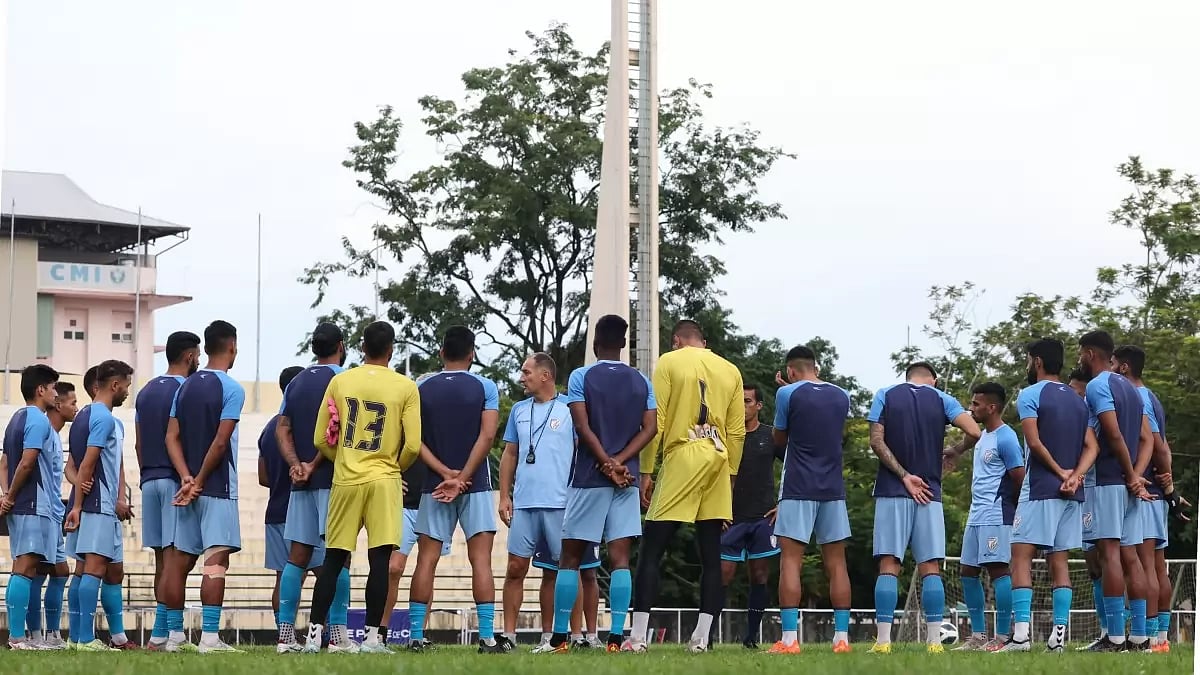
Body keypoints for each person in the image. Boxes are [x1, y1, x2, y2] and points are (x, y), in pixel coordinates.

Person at [304, 320, 422, 654]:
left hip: (346, 477)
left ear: (361, 347)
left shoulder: (340, 381)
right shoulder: (405, 387)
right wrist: (393, 469)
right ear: (392, 349)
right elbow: (413, 445)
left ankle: (314, 636)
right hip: (384, 478)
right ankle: (373, 638)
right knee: (380, 560)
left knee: (334, 558)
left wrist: (342, 457)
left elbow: (319, 438)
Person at [630, 320, 746, 654]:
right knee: (711, 554)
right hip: (719, 457)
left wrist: (647, 471)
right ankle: (701, 639)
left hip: (684, 452)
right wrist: (731, 477)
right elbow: (737, 431)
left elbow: (658, 421)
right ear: (704, 341)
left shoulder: (669, 361)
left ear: (677, 340)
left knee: (653, 548)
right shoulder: (730, 370)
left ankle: (637, 638)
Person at [868, 361, 980, 654]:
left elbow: (876, 441)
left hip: (893, 489)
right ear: (933, 379)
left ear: (907, 377)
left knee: (889, 564)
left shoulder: (886, 394)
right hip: (930, 492)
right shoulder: (942, 399)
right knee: (930, 567)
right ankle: (933, 643)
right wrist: (955, 450)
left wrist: (904, 476)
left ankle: (882, 643)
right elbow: (975, 431)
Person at [409, 326, 503, 653]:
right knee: (481, 561)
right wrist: (463, 477)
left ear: (440, 353)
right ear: (472, 353)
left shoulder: (422, 388)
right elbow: (488, 436)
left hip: (433, 485)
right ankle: (487, 637)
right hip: (475, 484)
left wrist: (443, 473)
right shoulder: (485, 386)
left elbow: (413, 440)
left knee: (426, 560)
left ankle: (416, 637)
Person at [1007, 339, 1097, 653]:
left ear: (1038, 361)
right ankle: (1057, 639)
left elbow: (1032, 442)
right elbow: (1093, 447)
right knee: (1059, 561)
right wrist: (1076, 476)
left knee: (1020, 555)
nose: (1028, 365)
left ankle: (1020, 637)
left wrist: (1061, 473)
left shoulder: (1029, 394)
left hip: (1041, 488)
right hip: (1073, 494)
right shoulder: (1077, 400)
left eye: (1029, 360)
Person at [163, 320, 246, 653]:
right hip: (217, 487)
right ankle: (209, 638)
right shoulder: (232, 388)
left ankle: (173, 637)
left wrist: (185, 477)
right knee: (215, 561)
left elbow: (172, 437)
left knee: (178, 562)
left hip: (187, 489)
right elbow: (221, 441)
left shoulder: (184, 386)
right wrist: (198, 480)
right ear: (231, 347)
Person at [768, 346, 853, 654]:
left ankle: (790, 639)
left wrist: (786, 394)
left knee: (791, 561)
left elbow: (780, 439)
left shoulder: (787, 395)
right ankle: (842, 638)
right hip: (833, 488)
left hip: (798, 485)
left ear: (790, 371)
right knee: (837, 563)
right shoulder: (841, 395)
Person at [276, 323, 354, 653]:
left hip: (301, 484)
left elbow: (283, 428)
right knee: (340, 556)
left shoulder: (296, 381)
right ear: (341, 345)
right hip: (335, 479)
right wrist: (313, 464)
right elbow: (340, 431)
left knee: (297, 557)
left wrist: (297, 463)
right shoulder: (345, 381)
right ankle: (337, 636)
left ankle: (284, 636)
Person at [1077, 330, 1154, 652]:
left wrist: (1128, 475)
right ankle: (1140, 636)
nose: (1079, 359)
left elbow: (1114, 434)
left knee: (1110, 554)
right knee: (1131, 556)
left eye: (1081, 353)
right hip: (1127, 483)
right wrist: (1136, 476)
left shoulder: (1098, 385)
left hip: (1108, 480)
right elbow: (1146, 439)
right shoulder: (1133, 389)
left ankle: (1115, 637)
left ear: (1091, 353)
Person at [1111, 345, 1190, 652]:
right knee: (1157, 565)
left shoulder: (1137, 397)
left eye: (1114, 363)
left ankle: (1153, 638)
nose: (1111, 368)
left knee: (1144, 566)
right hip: (1154, 493)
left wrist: (1148, 482)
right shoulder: (1151, 396)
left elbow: (1160, 447)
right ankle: (1160, 637)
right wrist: (1168, 491)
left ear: (1125, 367)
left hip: (1145, 493)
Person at [498, 353, 569, 652]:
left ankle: (551, 637)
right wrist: (504, 495)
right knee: (515, 568)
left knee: (555, 571)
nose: (521, 377)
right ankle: (509, 636)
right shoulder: (518, 410)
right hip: (525, 502)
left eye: (526, 372)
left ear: (545, 375)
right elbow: (510, 454)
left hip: (560, 502)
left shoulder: (569, 408)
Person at [64, 359, 135, 652]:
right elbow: (87, 464)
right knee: (92, 569)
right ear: (114, 385)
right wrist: (79, 506)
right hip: (98, 506)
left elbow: (79, 466)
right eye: (127, 386)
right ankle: (84, 639)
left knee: (85, 569)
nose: (128, 393)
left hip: (100, 503)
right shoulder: (103, 418)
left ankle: (77, 638)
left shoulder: (83, 416)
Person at [135, 330, 200, 650]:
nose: (199, 361)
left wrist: (147, 473)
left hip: (149, 479)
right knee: (177, 560)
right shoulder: (187, 389)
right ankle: (167, 633)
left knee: (163, 559)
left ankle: (160, 634)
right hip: (176, 480)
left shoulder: (145, 391)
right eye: (197, 356)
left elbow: (136, 442)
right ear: (189, 356)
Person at [952, 382, 1024, 651]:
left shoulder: (1006, 437)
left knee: (998, 570)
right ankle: (978, 636)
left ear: (991, 407)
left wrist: (1015, 514)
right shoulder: (981, 435)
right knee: (967, 572)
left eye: (976, 404)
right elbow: (968, 440)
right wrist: (956, 450)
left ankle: (1003, 636)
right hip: (976, 513)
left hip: (997, 512)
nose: (971, 408)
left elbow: (1019, 477)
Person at [381, 373, 450, 651]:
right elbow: (385, 454)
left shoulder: (443, 427)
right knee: (393, 568)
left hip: (433, 501)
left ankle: (418, 634)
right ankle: (381, 629)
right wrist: (393, 478)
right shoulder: (400, 422)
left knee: (427, 567)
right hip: (404, 505)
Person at [1, 364, 62, 649]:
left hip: (25, 504)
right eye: (52, 388)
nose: (56, 394)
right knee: (24, 568)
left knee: (28, 567)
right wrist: (11, 497)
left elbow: (3, 464)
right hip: (33, 504)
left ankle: (23, 635)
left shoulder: (16, 418)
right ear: (40, 390)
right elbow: (27, 462)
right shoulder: (38, 420)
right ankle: (16, 636)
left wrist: (7, 495)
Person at [720, 383, 782, 650]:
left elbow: (793, 465)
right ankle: (706, 636)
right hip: (729, 518)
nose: (742, 406)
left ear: (758, 406)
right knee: (722, 576)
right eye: (739, 401)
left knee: (759, 576)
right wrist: (716, 508)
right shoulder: (724, 435)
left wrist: (784, 504)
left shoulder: (771, 436)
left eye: (747, 401)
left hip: (762, 518)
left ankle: (751, 638)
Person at [258, 366, 305, 648]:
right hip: (305, 507)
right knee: (329, 570)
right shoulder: (301, 425)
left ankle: (284, 634)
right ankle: (331, 631)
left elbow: (264, 477)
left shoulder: (268, 429)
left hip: (275, 510)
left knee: (283, 577)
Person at [37, 381, 78, 649]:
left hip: (54, 512)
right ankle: (32, 634)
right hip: (41, 512)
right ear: (58, 404)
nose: (76, 407)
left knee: (59, 571)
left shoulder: (55, 434)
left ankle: (50, 634)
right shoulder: (43, 430)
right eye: (73, 402)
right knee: (38, 571)